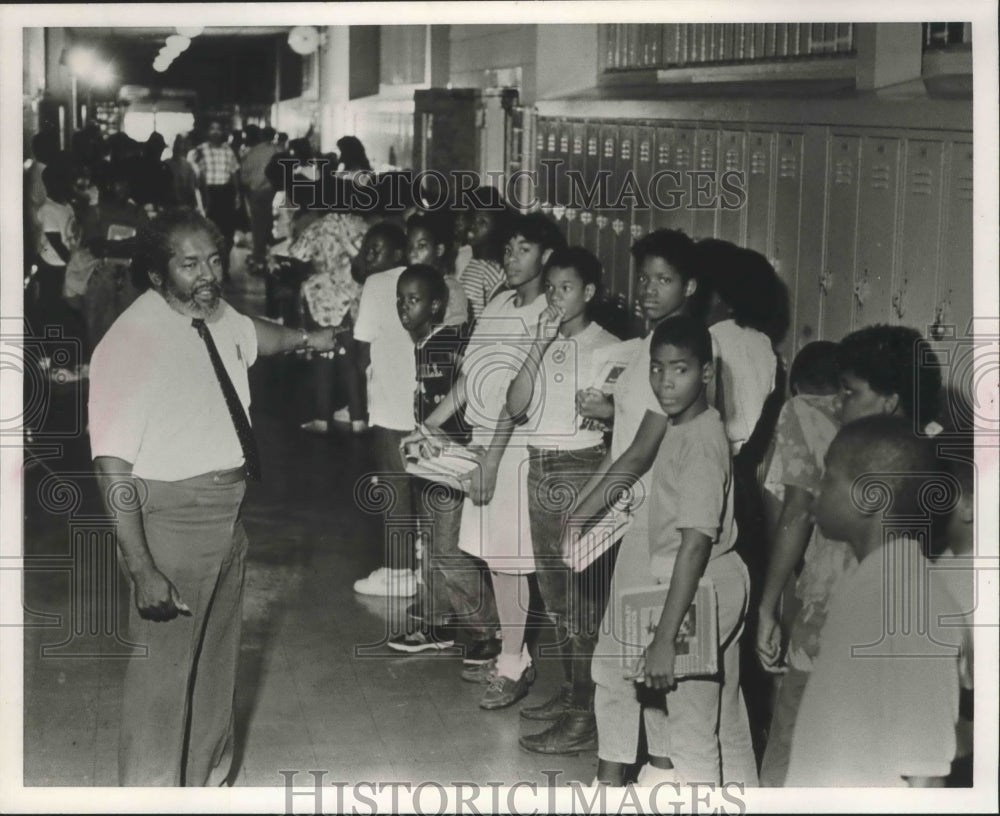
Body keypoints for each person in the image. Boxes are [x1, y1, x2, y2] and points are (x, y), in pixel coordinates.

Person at [87, 207, 340, 786]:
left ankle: (204, 784)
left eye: (212, 259)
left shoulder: (212, 313)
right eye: (188, 263)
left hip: (227, 514)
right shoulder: (131, 343)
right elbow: (112, 467)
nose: (207, 273)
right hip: (171, 519)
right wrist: (142, 567)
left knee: (214, 664)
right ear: (156, 274)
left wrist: (311, 338)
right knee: (165, 675)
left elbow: (256, 335)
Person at [756, 323, 944, 786]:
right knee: (800, 738)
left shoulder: (922, 462)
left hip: (863, 625)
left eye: (850, 392)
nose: (838, 403)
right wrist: (771, 604)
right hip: (827, 614)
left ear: (890, 401)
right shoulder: (826, 421)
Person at [407, 212, 567, 708]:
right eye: (508, 248)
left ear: (546, 256)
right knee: (497, 560)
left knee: (513, 561)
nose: (511, 258)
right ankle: (511, 654)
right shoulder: (498, 300)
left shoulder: (546, 313)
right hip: (481, 442)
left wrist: (492, 460)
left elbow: (517, 400)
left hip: (513, 449)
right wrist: (430, 423)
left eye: (524, 249)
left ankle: (514, 663)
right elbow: (470, 379)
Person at [590, 315, 757, 787]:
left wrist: (664, 639)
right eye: (658, 368)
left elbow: (694, 546)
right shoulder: (690, 425)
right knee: (724, 719)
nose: (665, 382)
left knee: (691, 732)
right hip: (716, 580)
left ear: (706, 373)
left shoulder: (700, 442)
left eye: (680, 369)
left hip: (700, 585)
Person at [785, 416, 964, 786]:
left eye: (828, 477)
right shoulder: (870, 580)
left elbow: (925, 776)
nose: (816, 490)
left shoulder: (915, 599)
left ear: (870, 497)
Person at [504, 246, 619, 754]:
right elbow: (515, 403)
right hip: (540, 467)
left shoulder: (612, 346)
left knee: (580, 602)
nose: (554, 297)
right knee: (556, 598)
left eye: (565, 288)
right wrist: (537, 345)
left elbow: (624, 415)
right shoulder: (543, 339)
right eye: (549, 288)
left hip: (579, 470)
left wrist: (609, 410)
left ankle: (583, 717)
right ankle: (574, 693)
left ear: (588, 293)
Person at [387, 264, 501, 656]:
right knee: (431, 544)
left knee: (448, 550)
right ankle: (437, 624)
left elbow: (472, 391)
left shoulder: (451, 342)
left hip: (449, 461)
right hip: (430, 461)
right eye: (400, 300)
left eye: (414, 300)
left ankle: (489, 630)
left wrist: (449, 442)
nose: (404, 307)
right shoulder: (427, 341)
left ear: (436, 306)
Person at [351, 222, 420, 597]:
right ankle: (422, 566)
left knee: (394, 488)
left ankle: (398, 573)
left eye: (375, 250)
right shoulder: (428, 279)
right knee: (425, 486)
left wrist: (363, 401)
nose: (368, 257)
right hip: (427, 405)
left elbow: (361, 348)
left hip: (392, 404)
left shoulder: (376, 285)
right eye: (366, 250)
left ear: (398, 253)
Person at [457, 186, 514, 319]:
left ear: (497, 228)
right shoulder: (471, 262)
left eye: (482, 222)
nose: (473, 226)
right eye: (472, 219)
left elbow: (499, 318)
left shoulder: (494, 271)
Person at [406, 210, 470, 329]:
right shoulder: (405, 285)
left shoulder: (451, 290)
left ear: (439, 250)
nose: (412, 253)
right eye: (409, 246)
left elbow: (455, 336)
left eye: (421, 246)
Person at [194, 119, 239, 279]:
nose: (215, 132)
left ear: (222, 132)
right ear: (207, 132)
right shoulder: (201, 150)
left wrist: (237, 195)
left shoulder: (229, 151)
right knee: (211, 233)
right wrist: (203, 200)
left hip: (226, 194)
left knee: (228, 234)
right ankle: (213, 268)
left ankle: (224, 267)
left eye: (218, 129)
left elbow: (234, 174)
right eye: (212, 128)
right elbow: (199, 177)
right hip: (210, 194)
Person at [239, 124, 279, 273]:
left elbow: (244, 176)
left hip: (255, 193)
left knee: (257, 225)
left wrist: (253, 184)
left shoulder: (251, 153)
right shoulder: (276, 151)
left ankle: (258, 255)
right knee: (269, 223)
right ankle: (267, 255)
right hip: (271, 191)